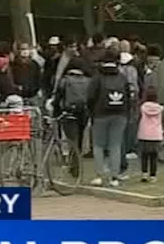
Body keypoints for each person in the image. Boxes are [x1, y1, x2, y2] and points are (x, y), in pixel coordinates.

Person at [86, 50, 132, 187]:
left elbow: (90, 97)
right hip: (120, 115)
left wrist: (91, 112)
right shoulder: (122, 77)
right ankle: (115, 177)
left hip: (100, 114)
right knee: (115, 145)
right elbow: (129, 97)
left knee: (99, 145)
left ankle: (99, 175)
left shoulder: (97, 77)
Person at [53, 57, 93, 159]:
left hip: (69, 110)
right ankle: (77, 154)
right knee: (80, 134)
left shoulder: (65, 80)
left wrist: (56, 111)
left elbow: (58, 97)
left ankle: (72, 157)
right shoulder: (89, 80)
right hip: (83, 111)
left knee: (71, 136)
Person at [117, 49, 141, 178]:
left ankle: (125, 148)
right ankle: (129, 147)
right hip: (131, 100)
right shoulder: (132, 70)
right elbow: (135, 85)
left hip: (121, 100)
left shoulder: (119, 71)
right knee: (131, 124)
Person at [136, 85, 164, 182]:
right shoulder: (160, 108)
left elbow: (138, 118)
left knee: (144, 155)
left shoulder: (142, 107)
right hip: (156, 135)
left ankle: (144, 174)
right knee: (154, 156)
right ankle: (153, 175)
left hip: (144, 134)